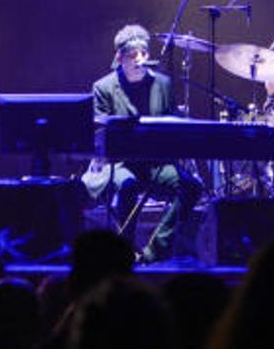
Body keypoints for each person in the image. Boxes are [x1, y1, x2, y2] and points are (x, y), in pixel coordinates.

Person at [87, 24, 203, 264]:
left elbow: (172, 125)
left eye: (144, 54)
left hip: (155, 162)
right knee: (128, 186)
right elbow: (99, 135)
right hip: (118, 164)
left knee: (191, 186)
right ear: (119, 58)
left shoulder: (163, 84)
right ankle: (125, 252)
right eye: (132, 55)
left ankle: (154, 252)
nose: (139, 59)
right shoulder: (103, 87)